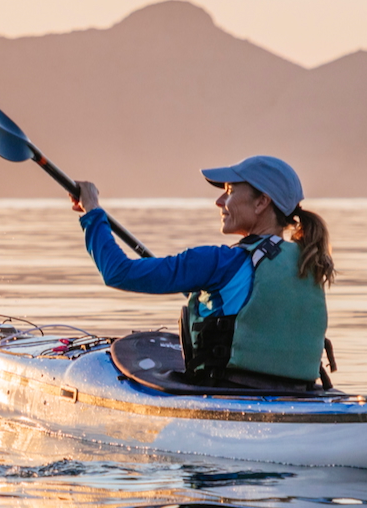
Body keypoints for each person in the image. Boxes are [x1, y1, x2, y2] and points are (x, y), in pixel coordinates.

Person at [72, 155, 335, 389]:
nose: (219, 201)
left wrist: (92, 211)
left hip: (227, 390)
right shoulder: (308, 261)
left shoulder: (217, 261)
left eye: (230, 191)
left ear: (261, 203)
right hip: (299, 392)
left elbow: (118, 272)